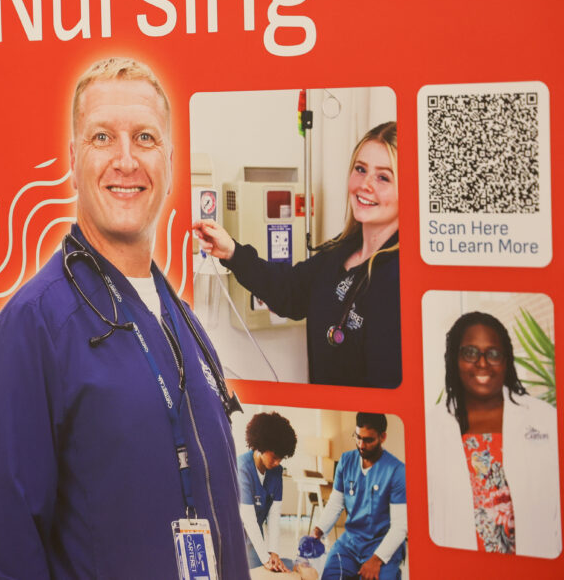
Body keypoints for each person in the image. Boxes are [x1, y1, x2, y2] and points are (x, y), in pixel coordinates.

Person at [0, 57, 248, 580]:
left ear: (170, 159)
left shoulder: (180, 318)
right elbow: (8, 544)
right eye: (102, 138)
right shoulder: (34, 326)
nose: (125, 160)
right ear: (74, 160)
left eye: (144, 138)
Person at [194, 122, 400, 388]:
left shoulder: (399, 276)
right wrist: (232, 252)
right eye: (360, 170)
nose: (365, 185)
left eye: (383, 177)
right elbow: (289, 291)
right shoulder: (338, 254)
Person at [427, 311, 560, 557]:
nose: (482, 363)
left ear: (506, 360)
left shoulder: (545, 419)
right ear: (453, 359)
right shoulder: (431, 427)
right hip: (459, 567)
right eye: (470, 352)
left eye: (494, 354)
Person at [310, 413, 406, 580]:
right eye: (358, 437)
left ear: (382, 437)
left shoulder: (397, 471)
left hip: (380, 546)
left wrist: (377, 559)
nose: (361, 445)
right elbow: (336, 503)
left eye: (368, 440)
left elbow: (400, 526)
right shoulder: (346, 461)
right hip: (350, 543)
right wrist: (317, 531)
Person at [238, 412, 297, 572]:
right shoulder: (242, 468)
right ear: (261, 446)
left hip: (255, 536)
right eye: (275, 457)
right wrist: (265, 558)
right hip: (234, 534)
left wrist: (273, 553)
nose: (278, 462)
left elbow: (274, 515)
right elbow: (248, 517)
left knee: (264, 571)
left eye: (281, 458)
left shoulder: (276, 472)